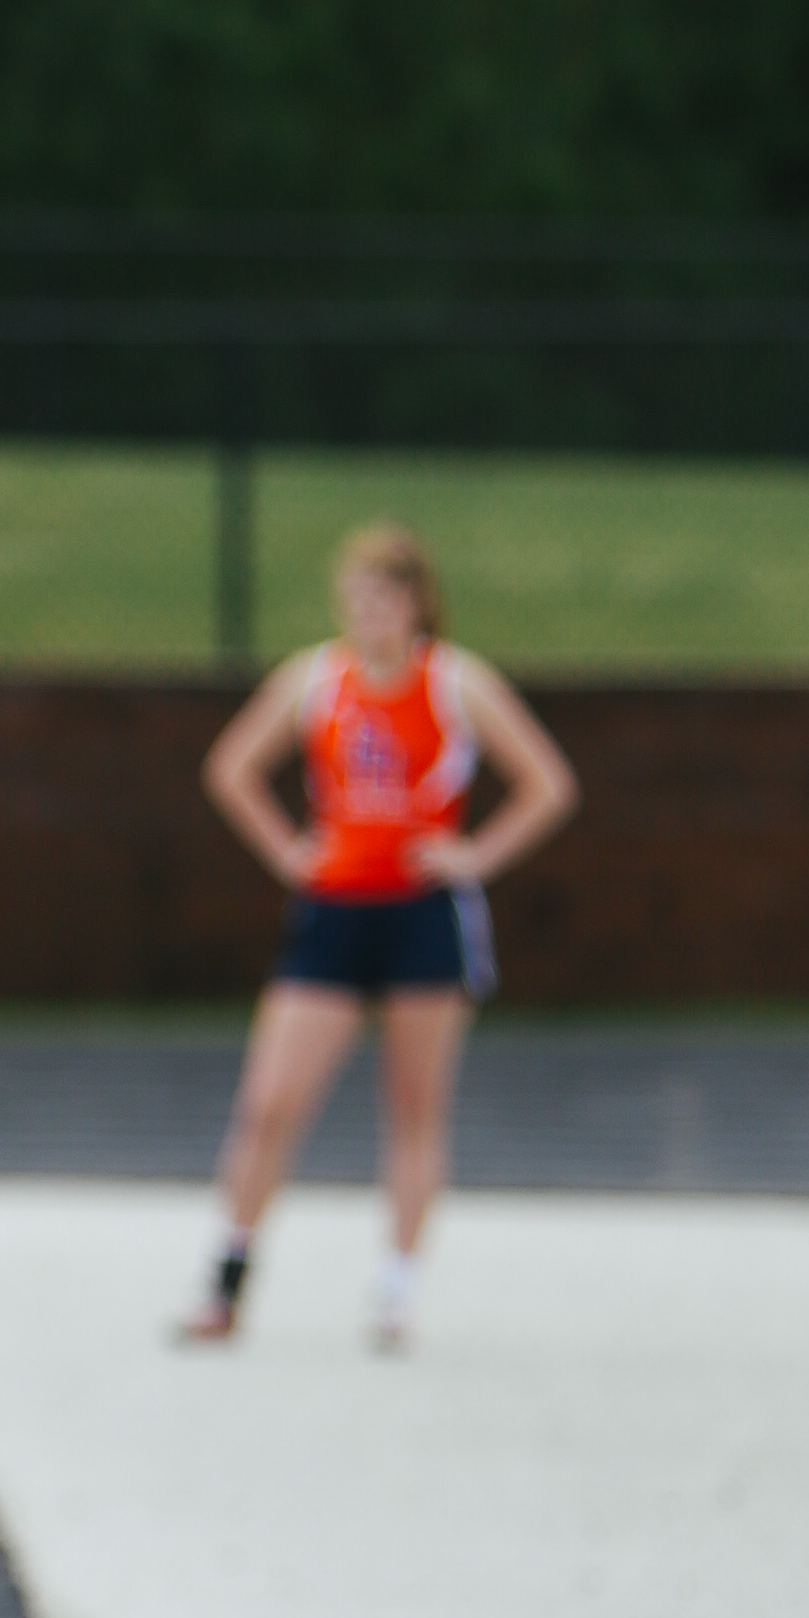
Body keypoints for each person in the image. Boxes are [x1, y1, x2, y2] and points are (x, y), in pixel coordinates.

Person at [180, 521, 579, 1349]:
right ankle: (228, 1276)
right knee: (268, 1104)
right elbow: (231, 767)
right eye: (360, 597)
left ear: (417, 604)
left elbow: (548, 784)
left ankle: (396, 1292)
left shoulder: (455, 684)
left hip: (420, 914)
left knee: (413, 1108)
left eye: (388, 598)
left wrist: (474, 856)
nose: (373, 614)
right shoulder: (316, 679)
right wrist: (289, 850)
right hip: (336, 911)